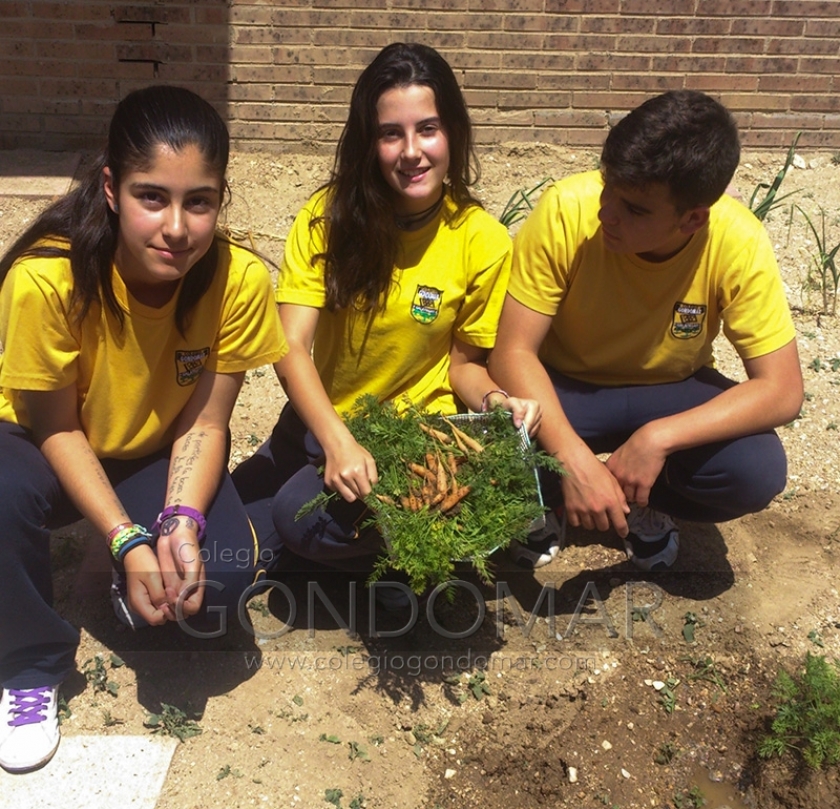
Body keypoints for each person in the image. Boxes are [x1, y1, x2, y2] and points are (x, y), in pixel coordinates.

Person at [0, 85, 286, 773]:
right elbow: (58, 428)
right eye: (152, 196)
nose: (177, 227)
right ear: (110, 187)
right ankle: (27, 666)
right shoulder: (48, 278)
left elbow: (206, 420)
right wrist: (129, 537)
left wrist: (181, 520)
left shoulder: (238, 279)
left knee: (213, 589)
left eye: (200, 201)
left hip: (150, 445)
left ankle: (118, 558)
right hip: (45, 444)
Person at [233, 42, 548, 579]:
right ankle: (389, 547)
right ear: (368, 141)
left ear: (452, 133)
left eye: (428, 128)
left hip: (411, 435)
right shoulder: (327, 218)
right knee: (231, 543)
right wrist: (336, 440)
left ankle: (403, 563)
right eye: (390, 133)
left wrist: (498, 401)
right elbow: (289, 347)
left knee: (295, 520)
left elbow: (463, 366)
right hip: (323, 422)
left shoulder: (482, 240)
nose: (412, 151)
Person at [488, 89, 803, 572]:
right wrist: (572, 458)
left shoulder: (736, 239)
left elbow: (782, 390)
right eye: (607, 186)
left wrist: (658, 438)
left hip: (669, 389)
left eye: (634, 209)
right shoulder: (564, 211)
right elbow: (511, 354)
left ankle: (644, 501)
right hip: (564, 386)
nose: (606, 213)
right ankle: (549, 496)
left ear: (693, 219)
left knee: (753, 470)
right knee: (484, 438)